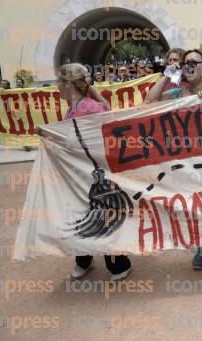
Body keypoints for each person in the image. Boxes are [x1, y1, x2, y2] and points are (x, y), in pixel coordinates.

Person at [144, 49, 202, 273]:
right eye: (185, 63)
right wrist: (166, 74)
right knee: (192, 207)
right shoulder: (177, 94)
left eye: (193, 62)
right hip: (185, 162)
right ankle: (201, 246)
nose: (188, 66)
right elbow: (149, 101)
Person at [57, 63, 132, 281]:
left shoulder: (90, 108)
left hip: (97, 173)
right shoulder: (72, 107)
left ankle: (118, 263)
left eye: (59, 82)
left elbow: (104, 138)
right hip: (80, 174)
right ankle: (83, 259)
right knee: (82, 214)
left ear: (69, 84)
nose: (57, 87)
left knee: (105, 214)